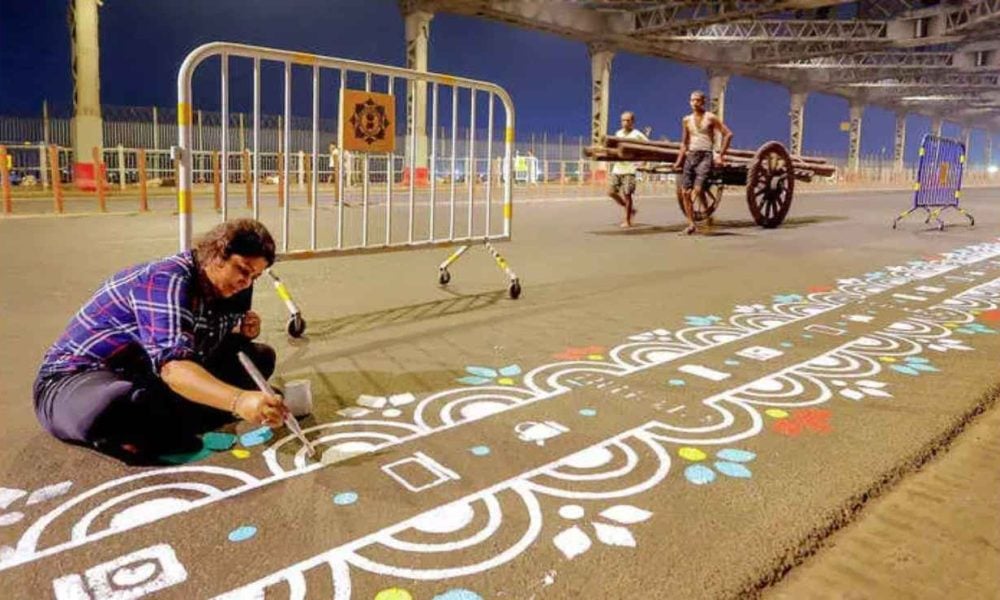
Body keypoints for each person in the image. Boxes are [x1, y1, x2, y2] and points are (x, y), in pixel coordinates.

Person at [33, 219, 288, 464]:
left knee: (259, 358)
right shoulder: (166, 280)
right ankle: (160, 422)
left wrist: (241, 334)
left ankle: (166, 419)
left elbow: (212, 346)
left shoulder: (235, 288)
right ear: (217, 254)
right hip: (77, 381)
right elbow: (174, 367)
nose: (245, 282)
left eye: (254, 277)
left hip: (146, 374)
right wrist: (239, 400)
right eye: (243, 270)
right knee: (121, 403)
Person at [673, 90, 733, 235]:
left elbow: (728, 134)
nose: (694, 103)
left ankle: (698, 219)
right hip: (691, 156)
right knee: (685, 192)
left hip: (706, 155)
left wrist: (720, 156)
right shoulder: (686, 120)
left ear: (703, 102)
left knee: (698, 190)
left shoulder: (711, 118)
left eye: (698, 100)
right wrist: (679, 161)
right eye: (692, 100)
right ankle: (691, 224)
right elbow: (684, 143)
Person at [608, 111, 648, 228]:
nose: (625, 123)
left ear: (632, 122)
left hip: (630, 169)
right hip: (617, 168)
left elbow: (649, 147)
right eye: (623, 120)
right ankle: (631, 210)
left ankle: (627, 220)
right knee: (611, 192)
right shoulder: (618, 133)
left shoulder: (637, 134)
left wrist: (643, 162)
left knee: (627, 194)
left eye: (628, 120)